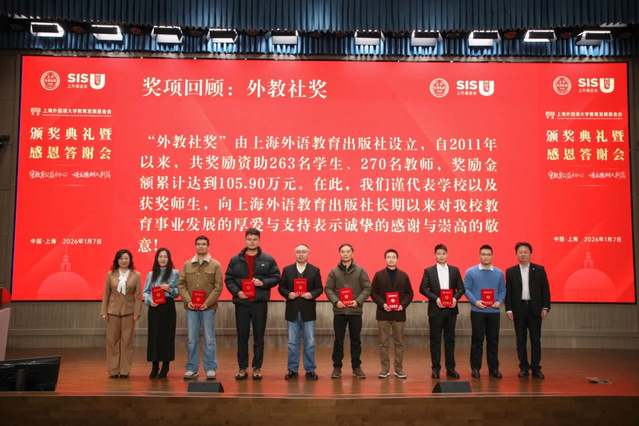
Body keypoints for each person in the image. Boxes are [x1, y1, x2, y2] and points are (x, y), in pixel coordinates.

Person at [225, 228, 280, 380]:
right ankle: (242, 368)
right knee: (242, 337)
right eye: (249, 239)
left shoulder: (268, 259)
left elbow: (276, 277)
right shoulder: (235, 260)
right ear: (245, 240)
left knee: (258, 337)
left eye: (255, 239)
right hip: (241, 303)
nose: (252, 242)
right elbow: (229, 279)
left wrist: (263, 283)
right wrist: (237, 292)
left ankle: (257, 368)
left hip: (259, 304)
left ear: (259, 241)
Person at [177, 236, 224, 380]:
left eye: (204, 244)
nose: (201, 246)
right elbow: (181, 284)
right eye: (198, 244)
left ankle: (210, 368)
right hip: (191, 308)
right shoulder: (187, 265)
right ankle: (192, 368)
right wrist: (188, 301)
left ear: (208, 246)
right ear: (195, 246)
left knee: (209, 339)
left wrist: (207, 303)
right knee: (192, 339)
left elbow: (218, 287)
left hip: (208, 308)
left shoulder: (215, 265)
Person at [325, 243, 372, 379]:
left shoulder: (360, 271)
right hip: (339, 311)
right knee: (338, 340)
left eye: (347, 251)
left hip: (355, 311)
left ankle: (356, 367)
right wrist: (336, 301)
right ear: (339, 253)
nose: (345, 254)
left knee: (356, 340)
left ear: (352, 253)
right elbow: (328, 288)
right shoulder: (334, 271)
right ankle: (337, 367)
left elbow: (367, 288)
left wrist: (358, 301)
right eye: (342, 252)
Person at [505, 242, 551, 379]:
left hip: (534, 309)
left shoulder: (539, 269)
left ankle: (536, 368)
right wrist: (508, 309)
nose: (523, 254)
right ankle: (524, 367)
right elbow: (509, 292)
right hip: (519, 309)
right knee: (520, 340)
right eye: (520, 252)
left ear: (530, 254)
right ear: (516, 254)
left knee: (535, 339)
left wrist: (545, 307)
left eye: (526, 252)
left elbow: (546, 290)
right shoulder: (511, 271)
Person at [278, 244, 323, 380]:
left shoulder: (314, 270)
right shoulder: (287, 270)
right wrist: (288, 294)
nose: (301, 254)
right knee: (292, 342)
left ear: (308, 253)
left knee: (310, 342)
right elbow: (281, 288)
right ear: (294, 253)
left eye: (304, 252)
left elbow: (319, 289)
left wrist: (311, 294)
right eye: (298, 252)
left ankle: (310, 369)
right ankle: (292, 369)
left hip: (308, 311)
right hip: (292, 310)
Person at [419, 244, 465, 379]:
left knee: (450, 340)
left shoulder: (454, 270)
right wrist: (436, 298)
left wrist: (455, 298)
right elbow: (422, 288)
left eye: (443, 253)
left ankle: (451, 368)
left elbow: (461, 289)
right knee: (435, 341)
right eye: (438, 254)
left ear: (447, 255)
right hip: (436, 310)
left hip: (451, 310)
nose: (441, 256)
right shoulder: (429, 271)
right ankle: (435, 369)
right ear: (435, 255)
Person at [463, 244, 506, 379]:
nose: (486, 257)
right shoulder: (471, 272)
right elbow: (466, 289)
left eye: (488, 254)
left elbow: (503, 290)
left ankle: (494, 369)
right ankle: (475, 368)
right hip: (478, 311)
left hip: (494, 311)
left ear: (492, 256)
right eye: (483, 254)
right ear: (479, 256)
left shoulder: (499, 273)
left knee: (493, 341)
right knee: (477, 340)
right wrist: (475, 302)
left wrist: (500, 301)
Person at [370, 249, 413, 379]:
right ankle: (385, 369)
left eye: (393, 257)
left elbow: (410, 294)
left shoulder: (404, 275)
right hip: (383, 313)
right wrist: (383, 304)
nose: (391, 259)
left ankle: (399, 369)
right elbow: (373, 292)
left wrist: (402, 305)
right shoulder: (379, 275)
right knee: (383, 343)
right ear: (385, 259)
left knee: (399, 343)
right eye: (388, 257)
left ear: (397, 259)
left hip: (399, 314)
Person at [100, 249, 142, 378]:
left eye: (126, 258)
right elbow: (106, 294)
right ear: (117, 260)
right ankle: (113, 370)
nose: (124, 261)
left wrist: (137, 313)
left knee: (127, 342)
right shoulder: (110, 274)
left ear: (130, 260)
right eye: (121, 258)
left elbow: (138, 296)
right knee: (112, 341)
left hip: (129, 311)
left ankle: (124, 370)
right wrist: (104, 311)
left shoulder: (136, 275)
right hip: (112, 311)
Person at [142, 248, 179, 379]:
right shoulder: (151, 274)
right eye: (160, 256)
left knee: (167, 336)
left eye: (165, 257)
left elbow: (178, 292)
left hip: (168, 307)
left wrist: (169, 289)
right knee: (155, 336)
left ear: (169, 259)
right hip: (155, 307)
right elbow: (146, 291)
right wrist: (149, 300)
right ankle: (154, 366)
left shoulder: (175, 273)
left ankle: (165, 366)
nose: (163, 259)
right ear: (157, 259)